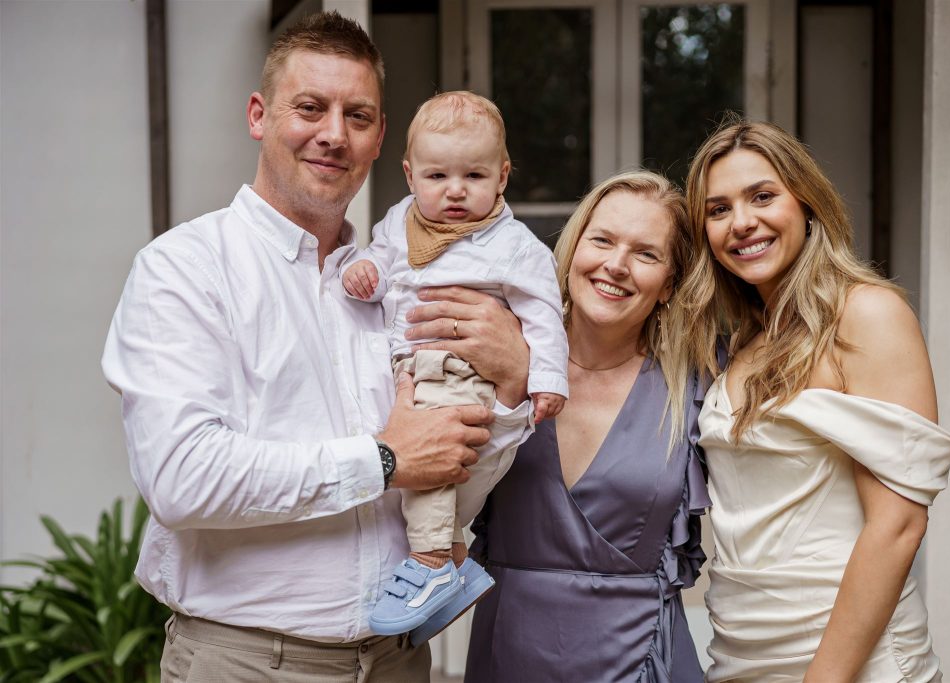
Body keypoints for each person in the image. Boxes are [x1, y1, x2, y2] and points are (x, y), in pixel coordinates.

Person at [101, 12, 531, 681]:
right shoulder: (184, 268)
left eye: (358, 116)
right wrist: (384, 458)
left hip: (397, 658)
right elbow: (182, 479)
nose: (334, 134)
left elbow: (449, 488)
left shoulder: (399, 289)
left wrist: (508, 391)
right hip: (247, 660)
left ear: (380, 138)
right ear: (258, 115)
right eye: (310, 108)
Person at [680, 119, 950, 682]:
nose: (742, 223)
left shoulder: (867, 314)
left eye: (762, 196)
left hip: (851, 658)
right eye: (718, 210)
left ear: (807, 202)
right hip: (741, 649)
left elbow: (898, 526)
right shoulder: (741, 343)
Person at [465, 171, 709, 683]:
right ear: (574, 248)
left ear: (668, 285)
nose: (615, 265)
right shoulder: (500, 357)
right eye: (601, 240)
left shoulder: (695, 387)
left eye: (645, 254)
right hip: (508, 654)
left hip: (640, 663)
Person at [341, 91, 568, 639]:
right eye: (438, 175)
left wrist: (548, 379)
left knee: (430, 463)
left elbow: (543, 313)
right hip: (410, 368)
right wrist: (366, 269)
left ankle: (431, 563)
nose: (456, 190)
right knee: (419, 469)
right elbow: (382, 257)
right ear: (409, 174)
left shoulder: (514, 247)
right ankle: (456, 552)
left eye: (474, 175)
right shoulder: (400, 222)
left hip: (459, 370)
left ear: (503, 176)